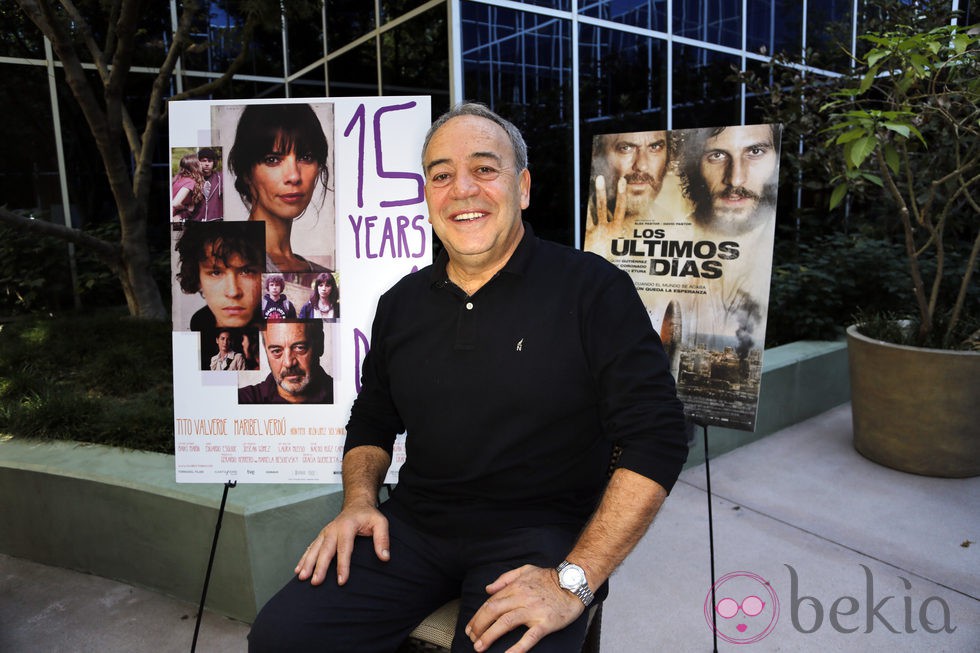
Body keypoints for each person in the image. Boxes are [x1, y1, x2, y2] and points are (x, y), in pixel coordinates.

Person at [248, 103, 688, 653]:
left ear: (523, 187)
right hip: (414, 526)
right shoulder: (401, 304)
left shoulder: (593, 290)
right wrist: (359, 501)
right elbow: (373, 418)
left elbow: (659, 435)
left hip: (542, 535)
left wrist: (574, 579)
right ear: (427, 194)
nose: (462, 191)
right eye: (441, 175)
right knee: (281, 638)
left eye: (485, 169)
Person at [228, 103, 331, 273]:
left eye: (306, 157)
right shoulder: (231, 268)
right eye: (272, 160)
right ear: (246, 172)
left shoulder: (322, 275)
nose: (294, 176)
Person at [676, 124, 780, 238]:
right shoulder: (674, 235)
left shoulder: (792, 237)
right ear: (695, 165)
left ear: (777, 162)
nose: (735, 180)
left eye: (755, 152)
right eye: (717, 155)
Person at [585, 130, 671, 254]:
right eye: (625, 148)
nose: (642, 166)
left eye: (654, 147)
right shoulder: (581, 225)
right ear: (596, 155)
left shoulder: (673, 224)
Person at [175, 221, 264, 331]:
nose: (233, 292)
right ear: (198, 278)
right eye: (216, 273)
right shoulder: (200, 321)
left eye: (246, 271)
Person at [238, 320, 334, 404]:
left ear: (320, 345)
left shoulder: (342, 395)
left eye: (300, 348)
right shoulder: (241, 400)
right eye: (276, 351)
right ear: (265, 350)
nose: (288, 363)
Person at [171, 153, 204, 221]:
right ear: (194, 167)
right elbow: (175, 203)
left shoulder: (178, 178)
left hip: (174, 216)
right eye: (199, 163)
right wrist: (186, 208)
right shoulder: (190, 182)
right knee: (178, 231)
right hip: (176, 218)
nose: (201, 164)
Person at [196, 147, 224, 222]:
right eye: (204, 161)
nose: (207, 164)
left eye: (210, 161)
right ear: (199, 162)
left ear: (214, 162)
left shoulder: (221, 178)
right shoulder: (193, 179)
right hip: (198, 221)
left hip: (216, 220)